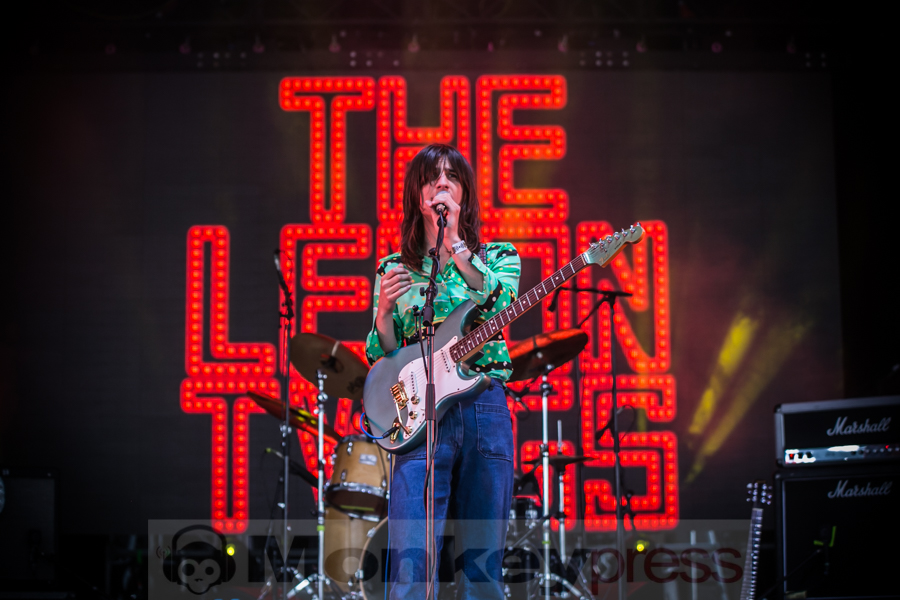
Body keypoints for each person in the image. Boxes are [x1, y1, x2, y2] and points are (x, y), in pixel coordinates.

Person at [364, 143, 521, 599]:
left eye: (453, 177)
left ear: (464, 196)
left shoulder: (497, 257)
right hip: (418, 416)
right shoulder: (395, 268)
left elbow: (502, 302)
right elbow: (386, 356)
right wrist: (383, 315)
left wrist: (457, 249)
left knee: (482, 564)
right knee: (411, 566)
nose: (443, 183)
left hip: (483, 407)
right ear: (419, 196)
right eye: (433, 177)